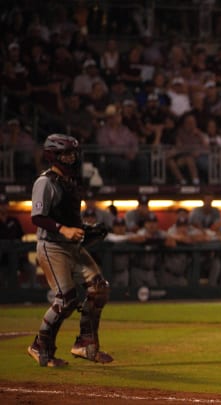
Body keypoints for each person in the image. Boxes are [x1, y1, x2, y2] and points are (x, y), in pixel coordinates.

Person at [28, 134, 114, 367]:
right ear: (52, 155)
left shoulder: (71, 181)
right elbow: (37, 217)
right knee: (66, 299)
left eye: (72, 153)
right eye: (65, 153)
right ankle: (40, 346)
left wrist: (86, 230)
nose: (70, 157)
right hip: (52, 246)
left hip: (72, 246)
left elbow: (67, 217)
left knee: (99, 289)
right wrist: (63, 229)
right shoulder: (45, 181)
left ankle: (86, 344)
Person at [0, 193, 35, 288]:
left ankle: (31, 294)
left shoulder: (13, 221)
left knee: (31, 268)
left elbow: (21, 238)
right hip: (2, 259)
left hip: (17, 257)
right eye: (1, 205)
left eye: (5, 204)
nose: (3, 207)